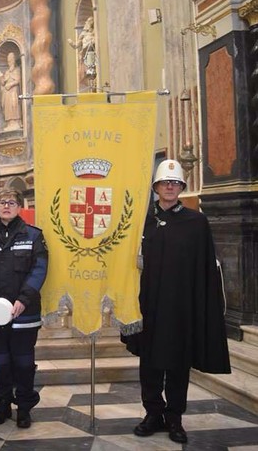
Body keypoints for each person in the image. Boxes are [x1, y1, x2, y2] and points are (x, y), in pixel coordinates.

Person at [124, 159, 230, 444]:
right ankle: (152, 414)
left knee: (178, 365)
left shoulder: (196, 222)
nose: (170, 187)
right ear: (156, 187)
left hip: (181, 307)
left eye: (175, 183)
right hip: (147, 306)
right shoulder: (139, 221)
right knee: (149, 364)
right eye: (165, 183)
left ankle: (174, 418)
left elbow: (206, 269)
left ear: (182, 187)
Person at [0, 188, 48, 428]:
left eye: (11, 202)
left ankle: (24, 407)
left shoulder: (33, 236)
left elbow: (39, 269)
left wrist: (23, 300)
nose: (6, 206)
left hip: (25, 312)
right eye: (2, 202)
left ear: (18, 206)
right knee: (1, 360)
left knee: (24, 362)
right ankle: (3, 403)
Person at [0, 52, 22, 131]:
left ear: (14, 60)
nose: (9, 62)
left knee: (14, 106)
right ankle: (10, 123)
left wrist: (10, 85)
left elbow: (18, 80)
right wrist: (1, 76)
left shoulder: (17, 70)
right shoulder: (7, 72)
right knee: (7, 107)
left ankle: (16, 122)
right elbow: (3, 82)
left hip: (13, 92)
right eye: (8, 60)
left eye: (11, 60)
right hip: (7, 93)